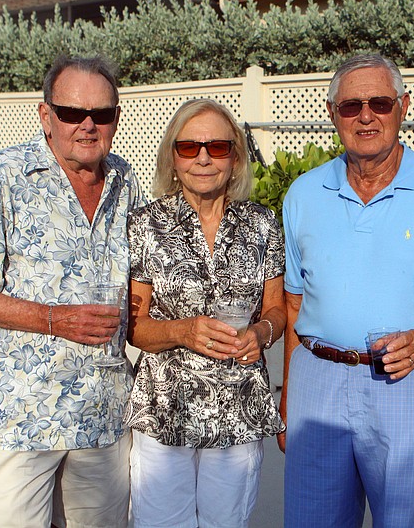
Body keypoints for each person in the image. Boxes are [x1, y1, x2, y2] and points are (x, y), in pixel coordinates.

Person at [279, 53, 414, 527]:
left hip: (409, 381)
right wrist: (290, 396)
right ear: (332, 113)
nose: (366, 116)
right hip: (318, 384)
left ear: (403, 106)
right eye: (350, 106)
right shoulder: (303, 195)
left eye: (379, 102)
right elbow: (294, 303)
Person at [0, 54, 145, 527]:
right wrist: (54, 319)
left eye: (101, 113)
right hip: (21, 416)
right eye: (71, 112)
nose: (87, 125)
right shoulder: (3, 176)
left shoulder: (126, 182)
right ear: (46, 115)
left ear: (116, 117)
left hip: (102, 415)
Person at [124, 99, 285, 527]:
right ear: (172, 158)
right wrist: (181, 331)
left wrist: (262, 333)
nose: (202, 158)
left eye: (217, 147)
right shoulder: (145, 225)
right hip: (164, 407)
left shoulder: (262, 224)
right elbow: (134, 327)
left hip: (239, 404)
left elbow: (276, 307)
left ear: (235, 158)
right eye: (189, 147)